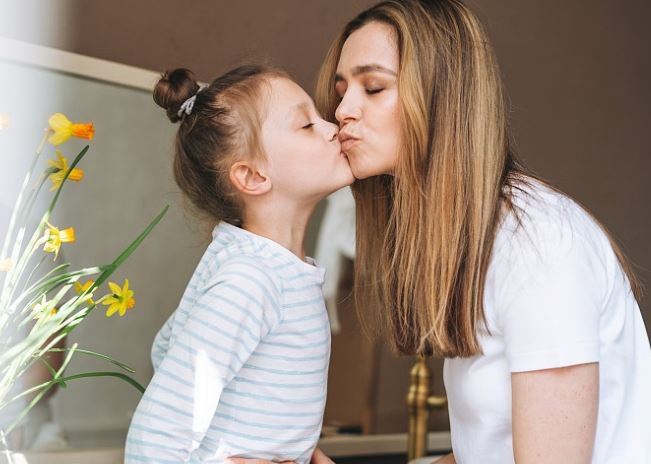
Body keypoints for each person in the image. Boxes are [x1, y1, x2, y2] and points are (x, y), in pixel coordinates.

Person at [312, 1, 651, 463]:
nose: (343, 110)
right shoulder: (473, 241)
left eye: (373, 87)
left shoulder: (539, 245)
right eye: (341, 89)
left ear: (444, 97)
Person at [124, 65, 353, 463]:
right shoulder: (251, 280)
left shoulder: (278, 272)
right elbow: (155, 439)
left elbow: (166, 347)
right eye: (306, 125)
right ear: (252, 175)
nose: (332, 127)